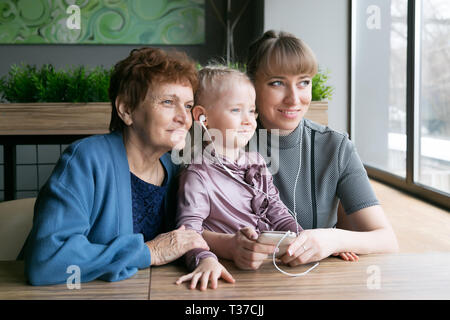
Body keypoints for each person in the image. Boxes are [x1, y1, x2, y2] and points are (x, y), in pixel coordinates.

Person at [200, 30, 399, 271]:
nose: (294, 99)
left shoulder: (336, 148)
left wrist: (333, 239)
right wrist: (227, 245)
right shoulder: (222, 141)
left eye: (303, 82)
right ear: (252, 86)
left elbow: (386, 239)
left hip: (309, 284)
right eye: (277, 83)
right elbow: (182, 228)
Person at [20, 47, 210, 285]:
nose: (184, 117)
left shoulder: (174, 167)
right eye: (168, 102)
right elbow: (46, 263)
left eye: (188, 105)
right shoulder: (85, 159)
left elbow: (190, 235)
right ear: (127, 110)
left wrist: (219, 251)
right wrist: (149, 252)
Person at [174, 66, 358, 291]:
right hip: (227, 275)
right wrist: (205, 259)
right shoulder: (198, 174)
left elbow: (277, 212)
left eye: (251, 111)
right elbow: (188, 231)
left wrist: (307, 240)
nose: (248, 121)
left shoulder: (257, 162)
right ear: (202, 116)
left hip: (266, 270)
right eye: (235, 110)